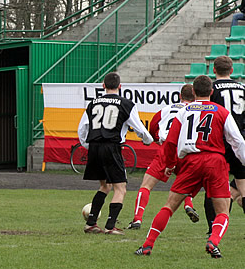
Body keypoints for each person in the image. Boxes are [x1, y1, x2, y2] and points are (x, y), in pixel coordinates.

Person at [135, 75, 245, 258]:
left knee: (170, 205)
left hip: (191, 161)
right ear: (211, 92)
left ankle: (147, 245)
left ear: (193, 92)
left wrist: (170, 164)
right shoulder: (222, 111)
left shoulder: (184, 111)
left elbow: (171, 142)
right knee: (223, 210)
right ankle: (213, 241)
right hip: (215, 161)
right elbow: (237, 141)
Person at [77, 72, 153, 235]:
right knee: (120, 188)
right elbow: (139, 128)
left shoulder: (93, 103)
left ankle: (91, 223)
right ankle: (110, 226)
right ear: (120, 86)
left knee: (105, 185)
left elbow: (82, 128)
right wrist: (148, 140)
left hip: (95, 146)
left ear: (103, 86)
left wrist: (87, 144)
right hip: (111, 147)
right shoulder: (126, 104)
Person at [127, 84, 198, 230]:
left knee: (146, 186)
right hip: (187, 149)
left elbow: (153, 127)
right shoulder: (196, 111)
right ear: (195, 96)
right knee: (187, 182)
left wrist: (158, 139)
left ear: (180, 96)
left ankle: (137, 219)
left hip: (166, 147)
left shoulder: (166, 109)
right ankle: (188, 205)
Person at [203, 55, 245, 236]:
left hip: (219, 143)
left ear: (213, 70)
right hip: (240, 141)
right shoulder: (243, 88)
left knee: (212, 186)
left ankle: (213, 227)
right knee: (243, 187)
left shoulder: (211, 89)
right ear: (232, 70)